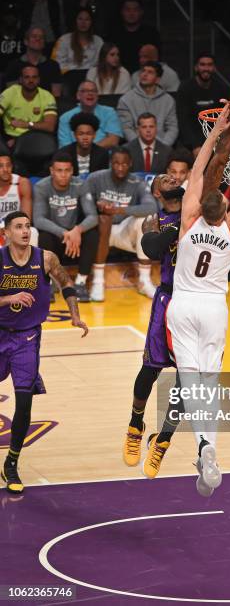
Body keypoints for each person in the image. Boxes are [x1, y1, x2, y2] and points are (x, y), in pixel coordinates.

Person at [166, 101, 230, 496]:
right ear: (224, 210)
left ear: (200, 206)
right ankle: (211, 447)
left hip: (183, 304)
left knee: (190, 384)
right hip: (214, 308)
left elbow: (199, 171)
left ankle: (201, 446)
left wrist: (216, 131)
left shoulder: (188, 220)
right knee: (210, 383)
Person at [0, 210, 88, 494]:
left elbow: (66, 282)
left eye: (27, 226)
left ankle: (11, 463)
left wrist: (74, 315)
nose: (25, 231)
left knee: (24, 401)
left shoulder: (46, 258)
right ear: (7, 233)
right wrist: (10, 298)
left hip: (27, 338)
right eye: (18, 227)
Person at [123, 174, 184, 475]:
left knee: (190, 380)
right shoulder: (154, 220)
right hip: (168, 299)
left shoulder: (196, 212)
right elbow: (153, 247)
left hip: (195, 302)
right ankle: (135, 424)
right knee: (150, 368)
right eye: (166, 177)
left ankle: (163, 439)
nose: (174, 176)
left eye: (177, 173)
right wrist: (181, 226)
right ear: (158, 191)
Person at [84, 146, 157, 301]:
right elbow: (83, 203)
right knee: (104, 219)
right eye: (116, 163)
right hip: (99, 232)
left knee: (148, 219)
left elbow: (152, 207)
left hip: (123, 230)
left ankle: (144, 280)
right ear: (111, 163)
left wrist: (118, 210)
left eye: (124, 164)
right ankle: (98, 281)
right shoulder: (95, 178)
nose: (120, 167)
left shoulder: (137, 182)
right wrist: (99, 206)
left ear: (130, 164)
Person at [33, 152, 99, 302]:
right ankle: (48, 283)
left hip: (75, 242)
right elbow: (38, 220)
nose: (63, 175)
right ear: (52, 171)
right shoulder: (41, 186)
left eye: (67, 170)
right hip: (56, 238)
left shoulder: (80, 185)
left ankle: (80, 283)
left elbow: (93, 216)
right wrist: (65, 233)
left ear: (72, 171)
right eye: (59, 170)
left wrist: (77, 230)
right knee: (43, 236)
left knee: (92, 234)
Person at [117, 61, 178, 146]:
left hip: (162, 146)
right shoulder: (126, 100)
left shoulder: (168, 100)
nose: (145, 74)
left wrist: (163, 147)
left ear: (157, 79)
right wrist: (141, 146)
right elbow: (126, 128)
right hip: (135, 147)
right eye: (143, 71)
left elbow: (172, 128)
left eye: (150, 72)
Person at [176, 53, 225, 156]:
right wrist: (195, 145)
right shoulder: (185, 88)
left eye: (209, 65)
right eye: (202, 65)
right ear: (196, 68)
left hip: (215, 139)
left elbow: (225, 117)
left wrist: (216, 142)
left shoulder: (222, 88)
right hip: (190, 143)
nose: (206, 68)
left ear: (214, 68)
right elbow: (183, 121)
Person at [0, 64, 57, 149]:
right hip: (11, 137)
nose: (31, 80)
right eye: (27, 77)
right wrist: (6, 138)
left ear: (39, 80)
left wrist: (26, 124)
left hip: (36, 138)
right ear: (20, 80)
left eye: (34, 77)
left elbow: (50, 126)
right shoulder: (10, 93)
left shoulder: (47, 96)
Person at [58, 80, 123, 148]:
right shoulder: (65, 118)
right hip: (75, 156)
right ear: (78, 96)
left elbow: (113, 141)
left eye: (93, 91)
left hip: (104, 154)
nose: (90, 93)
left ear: (97, 96)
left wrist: (90, 151)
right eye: (85, 91)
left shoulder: (109, 112)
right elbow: (65, 147)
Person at [108, 0, 161, 75]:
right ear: (122, 12)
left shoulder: (151, 33)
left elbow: (156, 58)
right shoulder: (113, 33)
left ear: (141, 12)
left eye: (135, 10)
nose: (131, 13)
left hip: (144, 75)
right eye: (127, 10)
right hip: (117, 75)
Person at [5, 27, 62, 97]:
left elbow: (56, 94)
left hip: (46, 105)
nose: (38, 39)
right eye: (34, 36)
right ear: (26, 41)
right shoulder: (14, 65)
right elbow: (12, 95)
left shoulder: (53, 65)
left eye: (41, 37)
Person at [0, 153, 38, 246]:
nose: (5, 169)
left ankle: (31, 260)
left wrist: (9, 230)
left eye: (8, 165)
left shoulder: (22, 183)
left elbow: (26, 219)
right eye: (0, 166)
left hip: (16, 227)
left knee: (32, 232)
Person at [52, 7, 103, 74]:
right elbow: (56, 63)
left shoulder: (98, 41)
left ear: (91, 22)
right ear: (75, 21)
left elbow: (102, 63)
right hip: (69, 77)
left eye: (87, 19)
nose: (83, 22)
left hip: (92, 77)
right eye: (80, 19)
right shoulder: (64, 40)